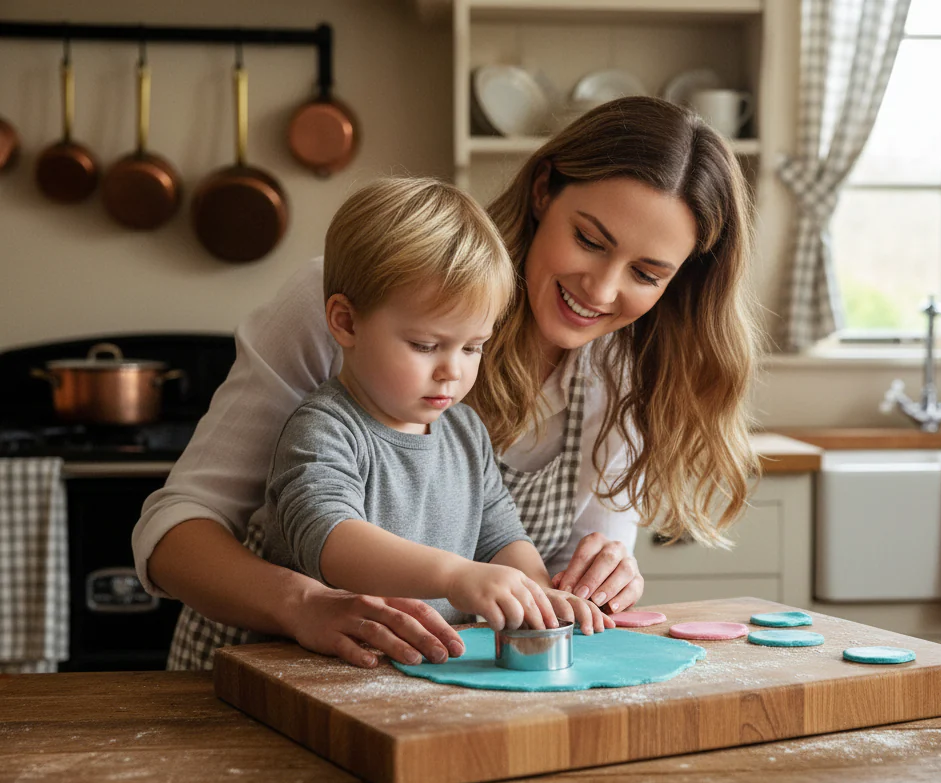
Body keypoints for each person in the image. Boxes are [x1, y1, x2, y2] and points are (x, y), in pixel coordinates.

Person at [133, 96, 762, 671]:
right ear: (543, 190)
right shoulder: (358, 298)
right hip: (249, 674)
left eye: (647, 274)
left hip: (425, 684)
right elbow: (175, 535)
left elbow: (527, 564)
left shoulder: (623, 376)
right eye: (589, 239)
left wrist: (596, 580)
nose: (601, 290)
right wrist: (304, 605)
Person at [257, 177, 606, 652]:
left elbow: (501, 536)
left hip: (430, 668)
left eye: (473, 347)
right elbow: (331, 540)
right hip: (324, 670)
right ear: (346, 322)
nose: (452, 371)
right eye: (425, 345)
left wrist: (539, 592)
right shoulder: (325, 429)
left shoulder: (465, 431)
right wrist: (454, 575)